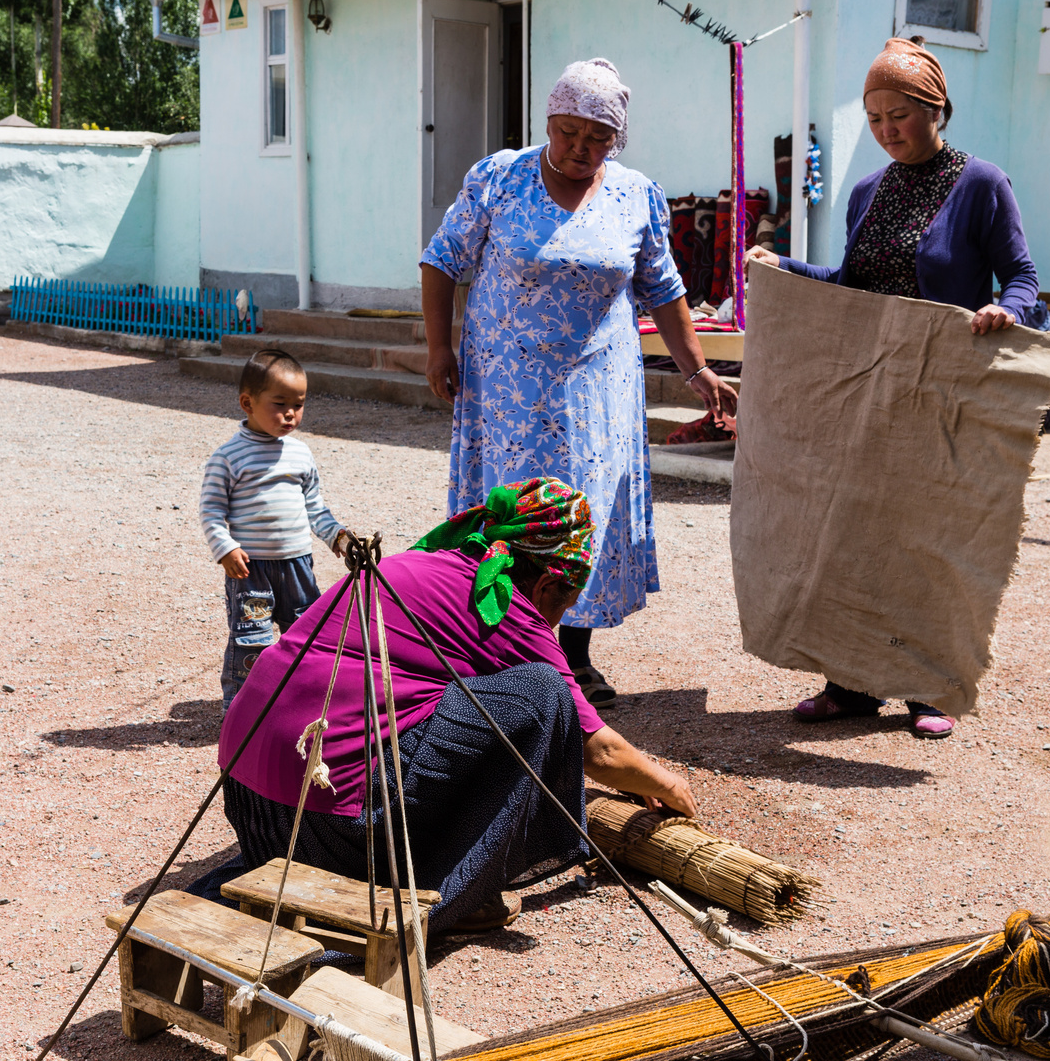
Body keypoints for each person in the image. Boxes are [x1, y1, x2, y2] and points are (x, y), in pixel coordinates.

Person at [211, 477, 695, 933]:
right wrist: (667, 783)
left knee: (465, 704)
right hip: (328, 833)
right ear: (547, 585)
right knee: (541, 694)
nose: (556, 622)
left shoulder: (416, 563)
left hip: (253, 813)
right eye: (563, 608)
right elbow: (598, 752)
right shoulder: (506, 605)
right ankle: (458, 889)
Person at [745, 37, 1042, 740]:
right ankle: (850, 683)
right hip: (867, 392)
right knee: (853, 535)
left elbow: (1023, 275)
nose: (885, 130)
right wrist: (783, 265)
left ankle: (928, 686)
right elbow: (853, 287)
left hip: (942, 391)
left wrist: (1009, 312)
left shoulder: (981, 184)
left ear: (935, 108)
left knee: (925, 541)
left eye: (898, 115)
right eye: (875, 118)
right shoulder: (865, 193)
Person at [419, 57, 738, 709]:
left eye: (597, 138)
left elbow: (666, 292)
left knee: (580, 516)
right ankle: (497, 649)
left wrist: (699, 371)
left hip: (598, 391)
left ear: (617, 140)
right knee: (512, 512)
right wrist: (436, 347)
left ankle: (571, 661)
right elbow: (441, 259)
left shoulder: (634, 193)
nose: (579, 148)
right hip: (509, 390)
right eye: (567, 132)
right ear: (548, 121)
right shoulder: (500, 178)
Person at [200, 348, 346, 712]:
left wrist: (338, 536)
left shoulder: (300, 454)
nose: (291, 414)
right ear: (247, 402)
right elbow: (211, 510)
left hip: (298, 566)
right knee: (252, 640)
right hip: (251, 569)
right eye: (280, 404)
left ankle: (303, 702)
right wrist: (225, 548)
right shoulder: (228, 457)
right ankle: (242, 710)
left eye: (298, 404)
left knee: (306, 636)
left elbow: (315, 507)